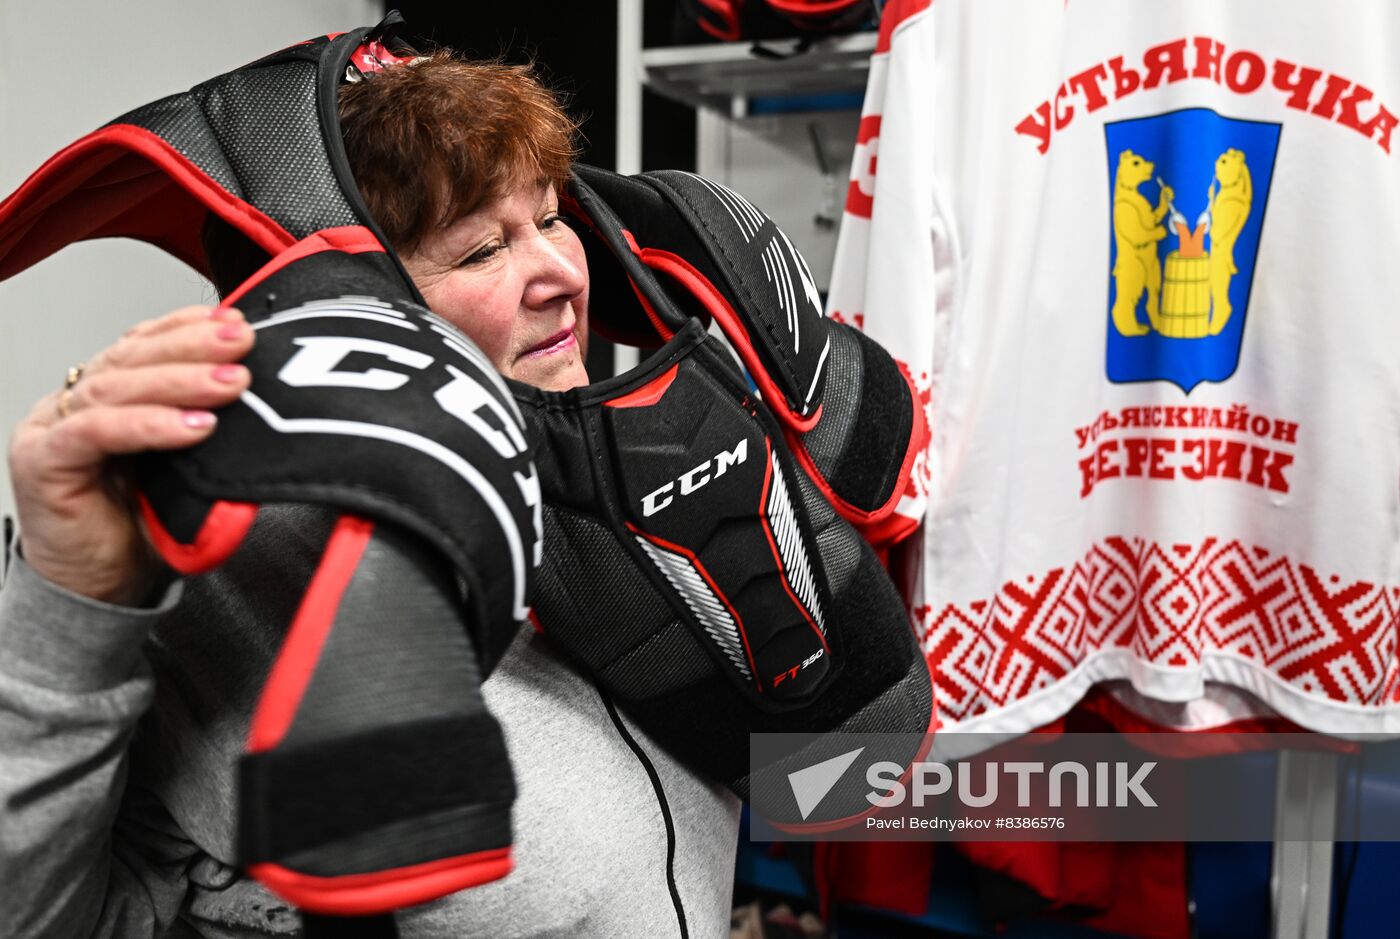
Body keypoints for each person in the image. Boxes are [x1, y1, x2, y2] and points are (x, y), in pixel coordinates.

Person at [0, 51, 740, 938]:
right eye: (482, 248)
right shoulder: (219, 598)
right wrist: (66, 618)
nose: (564, 275)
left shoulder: (643, 478)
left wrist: (919, 807)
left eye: (549, 217)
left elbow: (789, 782)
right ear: (343, 314)